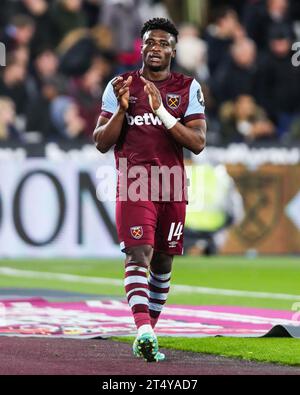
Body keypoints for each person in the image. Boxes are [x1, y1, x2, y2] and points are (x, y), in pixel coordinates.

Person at [93, 18, 206, 362]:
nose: (155, 48)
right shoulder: (120, 86)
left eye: (162, 43)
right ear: (141, 47)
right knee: (138, 253)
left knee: (162, 261)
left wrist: (163, 114)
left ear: (173, 49)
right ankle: (142, 328)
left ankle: (148, 334)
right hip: (134, 181)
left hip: (171, 185)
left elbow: (198, 143)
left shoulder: (188, 87)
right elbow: (100, 142)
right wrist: (121, 112)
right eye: (149, 42)